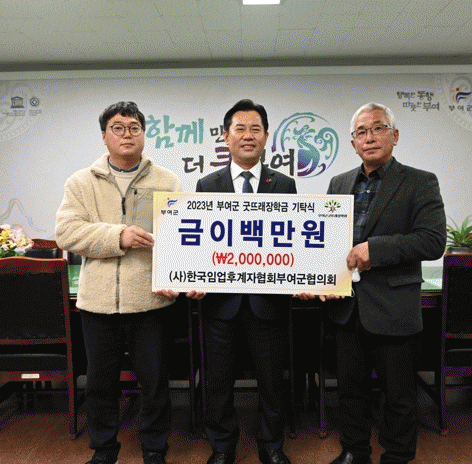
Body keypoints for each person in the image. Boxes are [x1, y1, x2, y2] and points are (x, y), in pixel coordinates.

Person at [55, 101, 181, 464]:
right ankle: (104, 448)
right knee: (100, 383)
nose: (127, 134)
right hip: (98, 303)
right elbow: (67, 233)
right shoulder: (81, 182)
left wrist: (178, 275)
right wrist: (117, 236)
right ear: (104, 136)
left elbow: (180, 238)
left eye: (134, 128)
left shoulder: (167, 181)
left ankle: (155, 447)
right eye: (118, 128)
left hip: (150, 300)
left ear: (144, 134)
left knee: (154, 382)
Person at [325, 103, 446, 464]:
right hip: (347, 306)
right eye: (361, 132)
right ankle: (354, 450)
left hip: (394, 305)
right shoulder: (339, 183)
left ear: (395, 136)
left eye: (378, 128)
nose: (370, 137)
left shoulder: (420, 181)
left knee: (399, 394)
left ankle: (398, 455)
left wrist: (374, 249)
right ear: (353, 143)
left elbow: (432, 241)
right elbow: (327, 242)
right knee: (350, 390)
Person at [195, 99, 297, 464]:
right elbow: (200, 243)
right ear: (226, 137)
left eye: (256, 129)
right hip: (219, 302)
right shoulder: (207, 184)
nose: (248, 135)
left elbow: (293, 242)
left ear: (266, 136)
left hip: (268, 302)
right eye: (240, 128)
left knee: (271, 381)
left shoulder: (284, 184)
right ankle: (222, 447)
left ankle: (271, 446)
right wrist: (192, 274)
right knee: (219, 381)